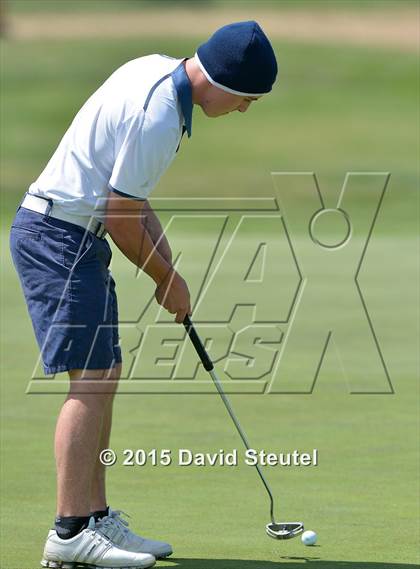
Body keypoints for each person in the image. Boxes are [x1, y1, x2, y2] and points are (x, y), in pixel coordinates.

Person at [10, 20, 277, 569]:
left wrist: (169, 266)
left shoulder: (154, 73)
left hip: (75, 238)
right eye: (248, 99)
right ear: (224, 83)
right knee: (91, 380)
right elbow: (121, 214)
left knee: (103, 374)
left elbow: (129, 196)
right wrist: (164, 279)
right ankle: (68, 532)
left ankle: (94, 518)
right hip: (58, 238)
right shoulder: (159, 116)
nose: (246, 110)